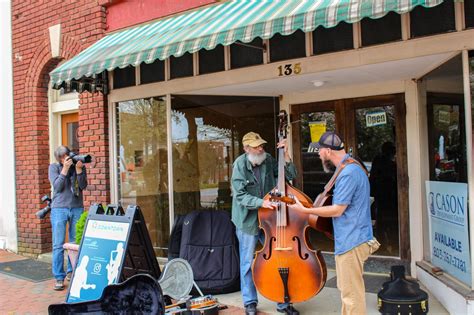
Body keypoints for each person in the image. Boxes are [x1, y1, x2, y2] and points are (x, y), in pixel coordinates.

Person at [289, 132, 379, 315]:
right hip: (352, 239)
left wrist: (306, 211)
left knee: (351, 295)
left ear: (328, 151)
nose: (318, 154)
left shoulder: (348, 173)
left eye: (320, 150)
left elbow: (338, 209)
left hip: (352, 241)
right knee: (349, 291)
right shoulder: (352, 167)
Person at [231, 132, 298, 315]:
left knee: (279, 259)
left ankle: (283, 302)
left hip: (269, 219)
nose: (261, 148)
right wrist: (262, 203)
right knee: (247, 263)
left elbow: (290, 175)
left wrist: (286, 154)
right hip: (248, 220)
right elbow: (240, 196)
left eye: (261, 145)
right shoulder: (239, 165)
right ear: (246, 149)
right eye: (256, 146)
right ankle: (250, 302)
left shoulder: (267, 158)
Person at [48, 145, 88, 291]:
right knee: (58, 244)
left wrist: (79, 171)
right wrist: (65, 170)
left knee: (75, 242)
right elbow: (57, 187)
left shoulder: (78, 165)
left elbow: (83, 185)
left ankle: (72, 272)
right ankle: (59, 277)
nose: (68, 158)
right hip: (59, 209)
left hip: (77, 207)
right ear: (60, 159)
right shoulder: (53, 168)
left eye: (68, 155)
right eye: (65, 156)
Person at [370, 141, 398, 254]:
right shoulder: (389, 164)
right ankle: (393, 244)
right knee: (390, 222)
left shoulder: (378, 161)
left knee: (382, 221)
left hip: (382, 196)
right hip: (388, 196)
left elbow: (372, 177)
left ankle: (383, 245)